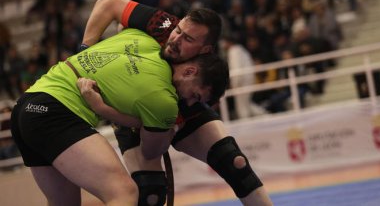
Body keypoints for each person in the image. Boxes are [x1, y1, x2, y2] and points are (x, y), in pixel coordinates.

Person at [81, 0, 273, 206]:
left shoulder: (203, 78)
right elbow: (108, 3)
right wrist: (84, 52)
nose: (176, 40)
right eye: (179, 31)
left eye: (188, 39)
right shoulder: (164, 25)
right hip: (139, 112)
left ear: (205, 50)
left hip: (180, 112)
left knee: (234, 162)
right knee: (150, 192)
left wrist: (174, 122)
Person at [11, 23, 228, 205]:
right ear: (190, 71)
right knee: (123, 192)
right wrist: (172, 126)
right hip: (55, 111)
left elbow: (109, 3)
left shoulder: (143, 39)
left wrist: (85, 48)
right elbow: (151, 150)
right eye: (195, 96)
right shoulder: (165, 99)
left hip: (26, 106)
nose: (188, 102)